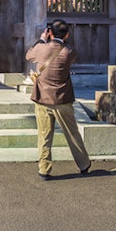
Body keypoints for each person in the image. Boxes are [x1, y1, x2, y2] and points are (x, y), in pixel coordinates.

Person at [25, 18, 92, 180]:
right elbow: (71, 57)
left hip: (42, 99)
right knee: (72, 133)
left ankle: (44, 169)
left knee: (44, 135)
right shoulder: (69, 52)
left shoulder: (41, 48)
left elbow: (29, 56)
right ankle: (83, 164)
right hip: (63, 99)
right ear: (67, 34)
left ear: (50, 33)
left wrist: (42, 39)